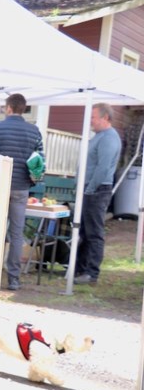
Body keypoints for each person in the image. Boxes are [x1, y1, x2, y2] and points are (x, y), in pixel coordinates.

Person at [0, 93, 44, 291]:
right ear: (23, 109)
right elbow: (40, 165)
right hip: (21, 188)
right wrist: (33, 181)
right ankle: (14, 279)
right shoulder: (35, 132)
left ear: (8, 108)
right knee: (16, 234)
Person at [74, 102, 121, 285]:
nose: (91, 121)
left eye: (93, 117)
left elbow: (102, 168)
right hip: (89, 190)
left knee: (94, 233)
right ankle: (80, 269)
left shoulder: (109, 138)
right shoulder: (99, 136)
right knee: (85, 232)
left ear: (105, 117)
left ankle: (91, 273)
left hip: (97, 191)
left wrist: (90, 189)